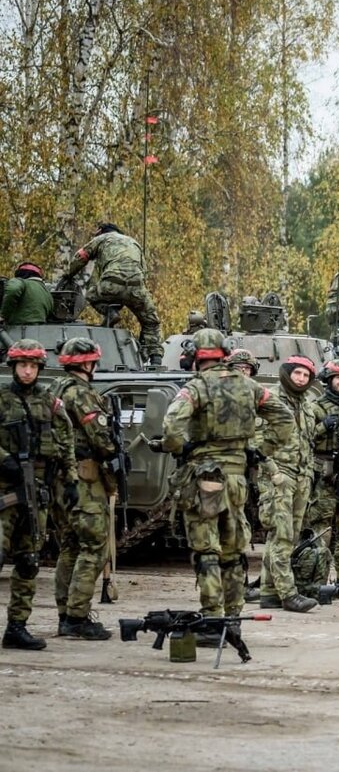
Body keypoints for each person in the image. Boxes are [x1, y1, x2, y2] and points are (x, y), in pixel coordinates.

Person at [156, 329, 293, 623]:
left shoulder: (195, 388)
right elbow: (284, 419)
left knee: (207, 551)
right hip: (237, 479)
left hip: (204, 479)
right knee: (233, 552)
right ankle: (233, 619)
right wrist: (258, 449)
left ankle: (212, 618)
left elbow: (170, 428)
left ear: (195, 357)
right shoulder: (250, 387)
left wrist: (182, 447)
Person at [0, 340, 77, 650]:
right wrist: (4, 459)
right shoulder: (3, 398)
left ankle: (17, 626)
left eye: (33, 366)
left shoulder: (50, 401)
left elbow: (66, 438)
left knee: (29, 560)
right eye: (23, 365)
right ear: (14, 367)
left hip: (37, 492)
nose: (28, 370)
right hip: (5, 490)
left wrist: (70, 480)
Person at [51, 338, 117, 640]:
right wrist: (113, 450)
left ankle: (65, 613)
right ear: (88, 363)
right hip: (85, 478)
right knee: (93, 546)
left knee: (69, 546)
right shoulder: (82, 394)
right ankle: (77, 618)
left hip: (59, 480)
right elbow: (101, 440)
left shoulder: (54, 389)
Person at [257, 356, 319, 612]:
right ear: (287, 374)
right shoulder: (271, 400)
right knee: (282, 535)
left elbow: (308, 440)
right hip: (279, 476)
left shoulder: (307, 404)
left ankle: (268, 590)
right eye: (297, 374)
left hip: (301, 475)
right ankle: (287, 593)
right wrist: (273, 473)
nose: (301, 379)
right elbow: (258, 441)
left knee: (287, 535)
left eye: (306, 376)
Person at [64, 223, 163, 365]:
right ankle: (156, 359)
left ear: (100, 232)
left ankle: (110, 312)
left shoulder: (101, 239)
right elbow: (144, 271)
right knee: (151, 322)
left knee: (91, 295)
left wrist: (68, 275)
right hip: (137, 287)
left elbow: (81, 256)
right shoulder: (134, 242)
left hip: (111, 283)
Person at [307, 359, 339, 574]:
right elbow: (305, 437)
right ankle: (318, 576)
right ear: (328, 380)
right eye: (338, 378)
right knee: (322, 525)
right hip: (324, 470)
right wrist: (323, 427)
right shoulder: (316, 407)